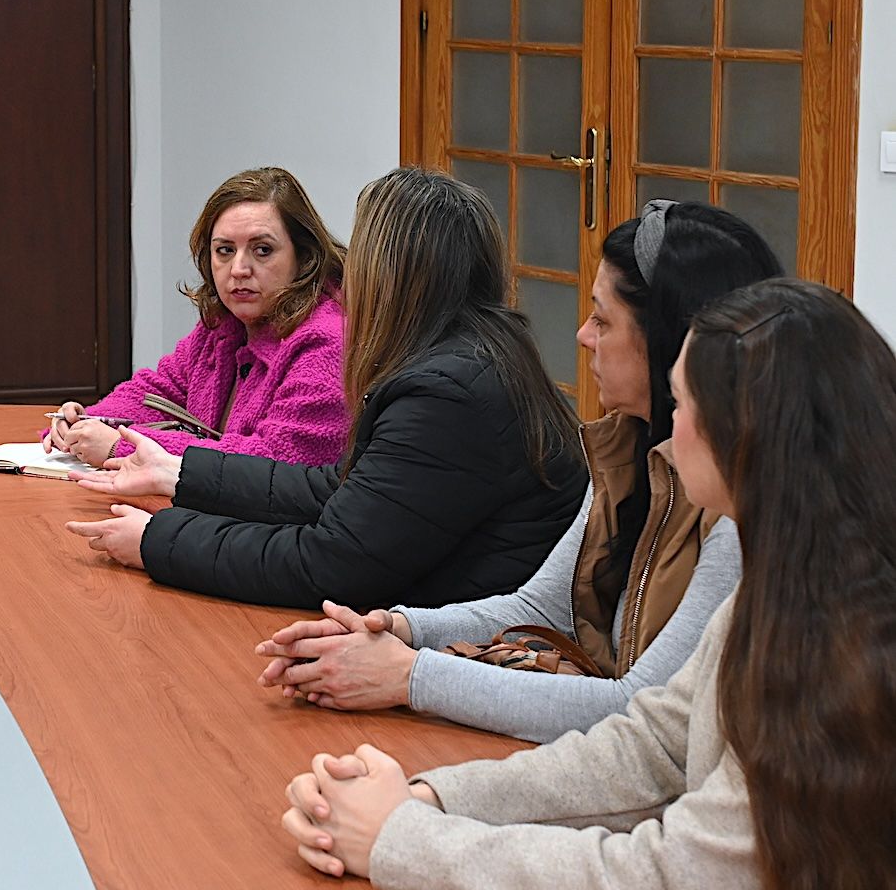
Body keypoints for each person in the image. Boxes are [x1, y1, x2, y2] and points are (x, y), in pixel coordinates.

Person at [281, 278, 896, 890]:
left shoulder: (841, 636)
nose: (669, 425)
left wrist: (403, 840)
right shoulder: (790, 572)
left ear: (747, 434)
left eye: (682, 402)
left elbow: (667, 886)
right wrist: (430, 800)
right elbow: (650, 744)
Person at [256, 201, 783, 742]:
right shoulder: (629, 447)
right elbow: (540, 607)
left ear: (671, 342)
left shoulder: (739, 510)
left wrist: (409, 675)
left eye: (603, 319)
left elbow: (639, 711)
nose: (583, 334)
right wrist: (397, 629)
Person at [66, 167, 586, 610]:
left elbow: (330, 563)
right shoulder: (472, 355)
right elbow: (337, 487)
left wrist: (158, 541)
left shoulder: (446, 391)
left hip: (461, 647)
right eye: (223, 251)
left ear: (389, 274)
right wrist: (180, 472)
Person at [44, 167, 348, 468]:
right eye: (225, 250)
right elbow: (156, 392)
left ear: (305, 258)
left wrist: (121, 446)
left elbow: (277, 463)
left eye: (263, 250)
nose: (239, 269)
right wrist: (85, 423)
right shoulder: (222, 327)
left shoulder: (328, 341)